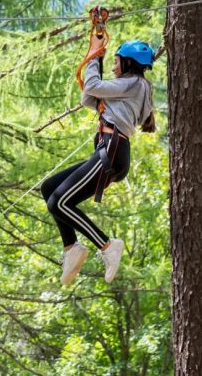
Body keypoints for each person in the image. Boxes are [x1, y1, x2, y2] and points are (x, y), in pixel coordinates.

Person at [41, 38, 155, 285]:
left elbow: (93, 85)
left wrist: (94, 56)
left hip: (111, 149)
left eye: (115, 62)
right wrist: (98, 60)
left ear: (128, 63)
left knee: (58, 202)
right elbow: (89, 98)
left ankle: (106, 245)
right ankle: (71, 247)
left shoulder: (135, 84)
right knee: (49, 188)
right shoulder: (131, 87)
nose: (114, 68)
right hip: (110, 150)